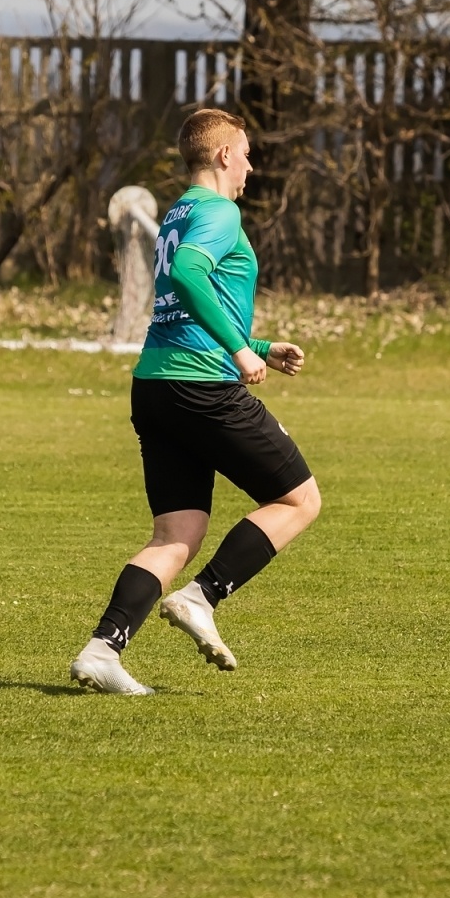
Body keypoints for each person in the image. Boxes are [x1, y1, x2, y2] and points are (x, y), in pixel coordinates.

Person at [70, 109, 321, 695]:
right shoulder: (219, 211)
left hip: (156, 385)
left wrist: (259, 343)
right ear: (225, 155)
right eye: (248, 154)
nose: (251, 167)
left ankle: (101, 651)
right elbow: (188, 273)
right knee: (299, 500)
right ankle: (201, 597)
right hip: (201, 385)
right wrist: (239, 349)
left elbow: (184, 303)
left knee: (175, 535)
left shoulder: (181, 211)